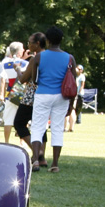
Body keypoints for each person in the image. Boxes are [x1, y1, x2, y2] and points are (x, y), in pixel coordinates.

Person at [18, 26, 76, 172]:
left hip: (43, 93)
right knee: (57, 128)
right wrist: (71, 104)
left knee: (37, 127)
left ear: (48, 40)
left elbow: (34, 78)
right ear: (61, 40)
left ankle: (36, 160)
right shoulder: (69, 58)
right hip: (61, 97)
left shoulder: (39, 57)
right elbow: (73, 83)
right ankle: (55, 163)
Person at [12, 33, 45, 159]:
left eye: (30, 42)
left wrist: (18, 69)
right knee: (40, 125)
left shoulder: (35, 59)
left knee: (19, 123)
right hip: (44, 95)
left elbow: (23, 79)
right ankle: (40, 155)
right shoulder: (47, 57)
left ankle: (38, 154)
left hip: (30, 97)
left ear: (37, 43)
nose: (28, 45)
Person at [0, 41, 27, 144]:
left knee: (8, 119)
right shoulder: (25, 63)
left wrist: (1, 94)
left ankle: (6, 141)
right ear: (19, 52)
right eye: (22, 49)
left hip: (10, 92)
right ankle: (22, 142)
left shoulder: (5, 64)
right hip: (22, 92)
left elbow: (3, 78)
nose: (24, 50)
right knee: (23, 119)